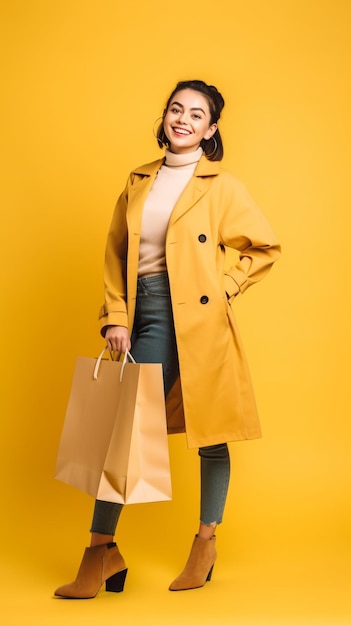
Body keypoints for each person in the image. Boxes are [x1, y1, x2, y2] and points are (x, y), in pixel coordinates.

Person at [54, 79, 281, 599]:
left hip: (202, 320)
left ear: (211, 129)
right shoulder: (138, 180)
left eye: (196, 115)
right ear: (165, 117)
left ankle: (205, 543)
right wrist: (115, 314)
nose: (182, 119)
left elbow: (263, 246)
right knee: (122, 430)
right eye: (176, 109)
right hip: (148, 314)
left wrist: (224, 288)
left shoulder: (221, 185)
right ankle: (100, 552)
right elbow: (114, 252)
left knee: (211, 430)